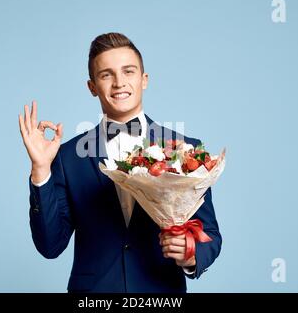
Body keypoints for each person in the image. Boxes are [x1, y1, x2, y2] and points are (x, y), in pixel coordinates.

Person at [18, 32, 222, 293]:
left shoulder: (186, 149)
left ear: (144, 79)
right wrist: (40, 169)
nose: (119, 83)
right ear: (92, 87)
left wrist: (191, 254)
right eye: (106, 75)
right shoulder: (68, 157)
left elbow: (211, 235)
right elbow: (50, 246)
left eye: (128, 71)